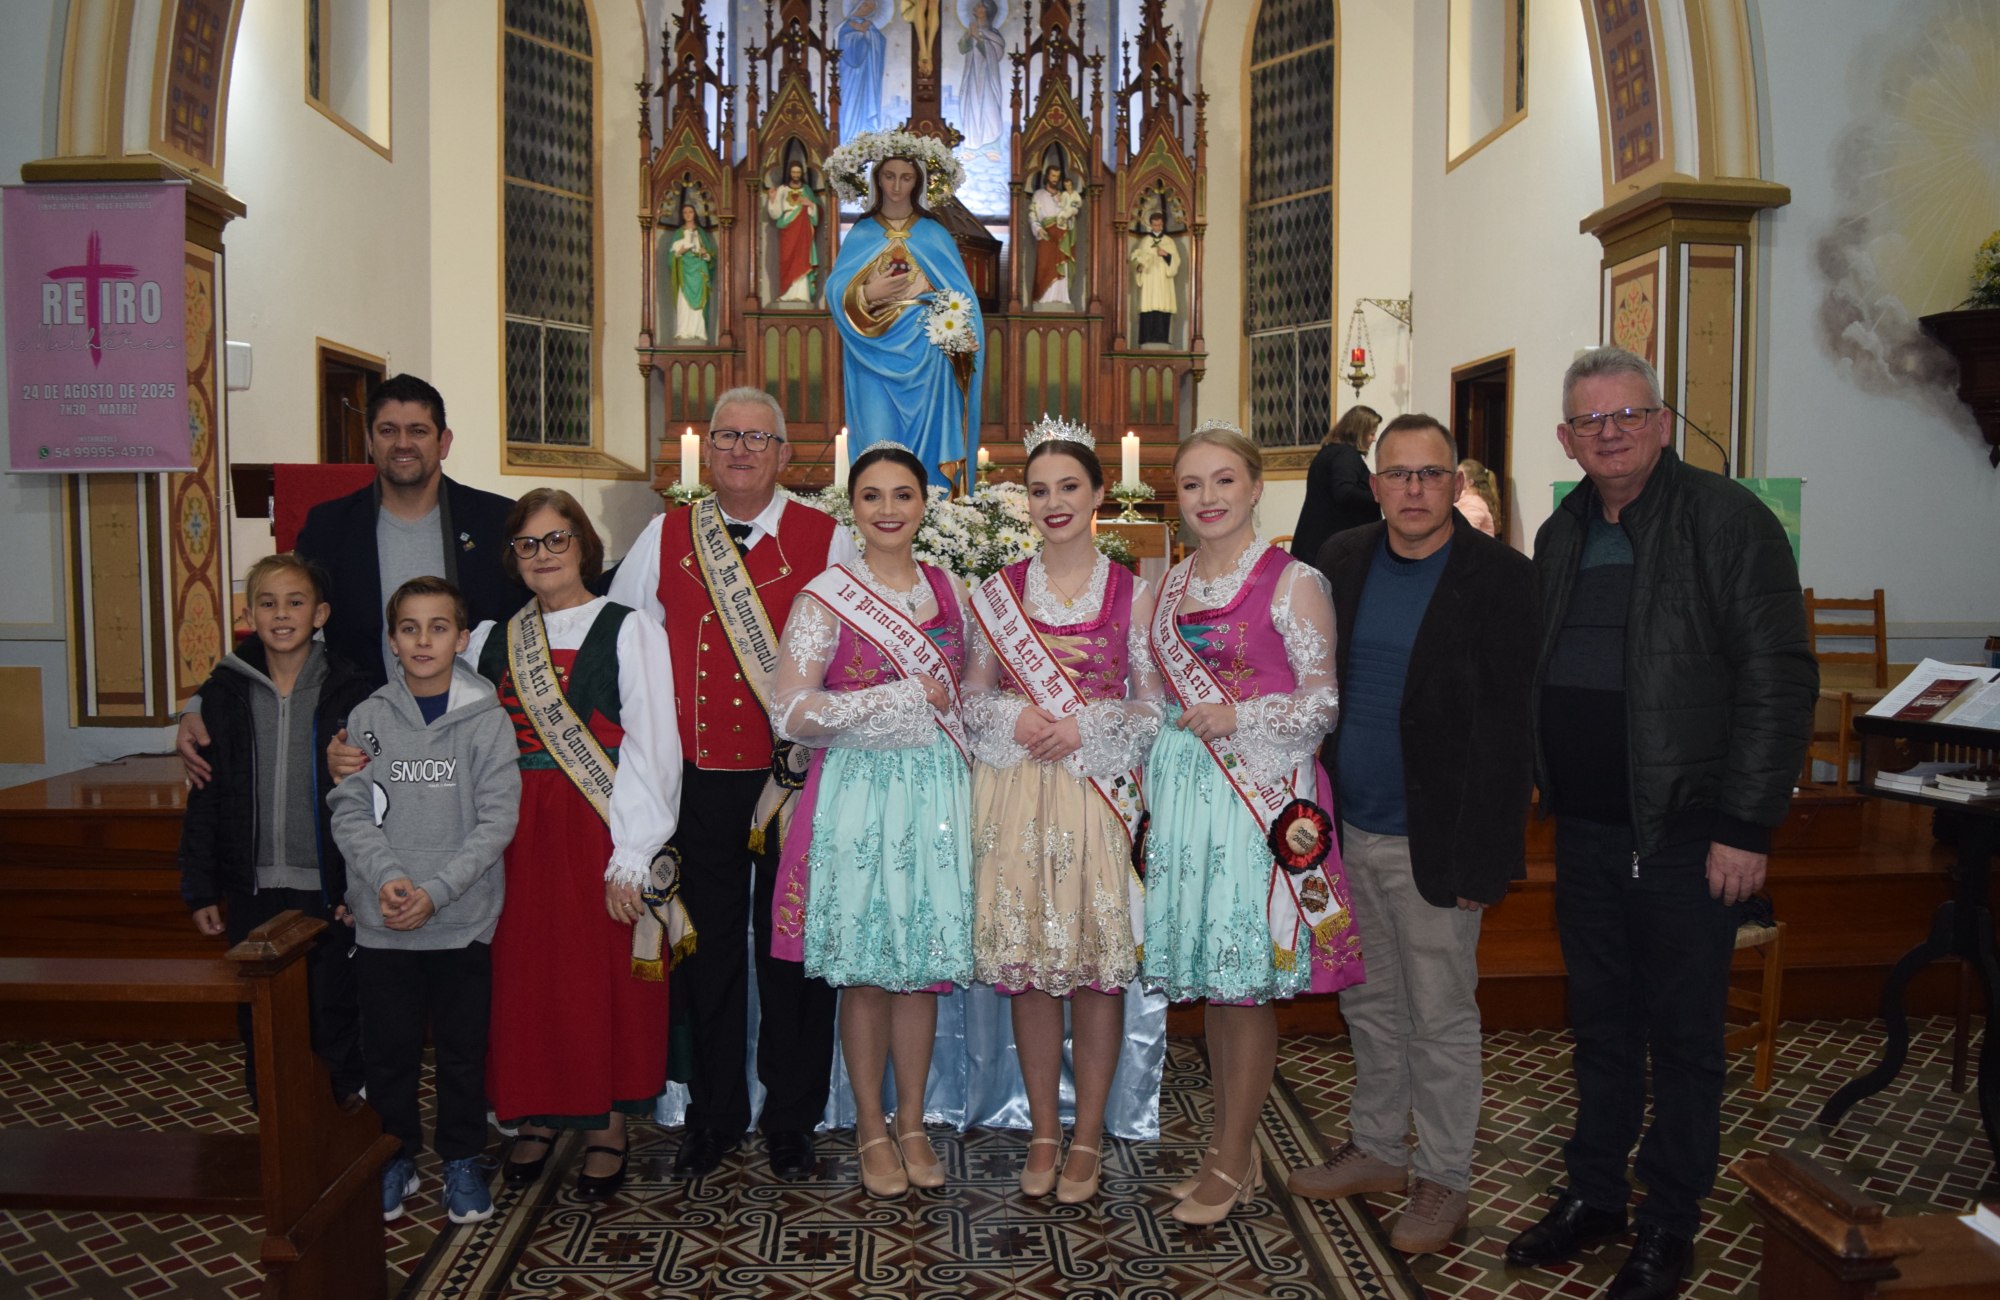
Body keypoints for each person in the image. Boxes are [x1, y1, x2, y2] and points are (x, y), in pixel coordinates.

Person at [1503, 347, 1815, 1300]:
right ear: (1566, 440)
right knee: (1600, 1027)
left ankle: (1670, 1222)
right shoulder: (1560, 532)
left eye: (1628, 414)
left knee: (1682, 1041)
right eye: (1590, 421)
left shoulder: (1728, 520)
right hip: (1590, 830)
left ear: (1663, 422)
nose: (1610, 433)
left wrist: (1746, 825)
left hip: (1687, 835)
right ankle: (1596, 1194)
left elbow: (1778, 678)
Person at [1287, 415, 1538, 1254]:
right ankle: (1377, 1147)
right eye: (1398, 474)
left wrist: (1485, 858)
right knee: (1368, 1003)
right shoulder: (1343, 559)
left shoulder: (1501, 578)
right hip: (1345, 829)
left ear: (1455, 483)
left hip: (1437, 838)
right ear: (1375, 485)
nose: (1415, 489)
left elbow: (1510, 730)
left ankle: (1444, 1178)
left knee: (1439, 1016)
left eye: (1431, 474)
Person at [608, 387, 859, 1183]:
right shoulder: (663, 534)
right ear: (707, 450)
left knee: (792, 953)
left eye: (758, 438)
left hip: (794, 782)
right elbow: (622, 644)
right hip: (700, 781)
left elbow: (856, 655)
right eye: (727, 437)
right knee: (705, 950)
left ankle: (792, 1118)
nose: (741, 450)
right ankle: (713, 1114)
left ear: (786, 455)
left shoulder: (828, 538)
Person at [1142, 421, 1365, 1225]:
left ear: (1256, 487)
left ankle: (1233, 1160)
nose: (1207, 497)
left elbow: (1321, 703)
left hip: (1259, 804)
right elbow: (1153, 700)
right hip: (1189, 806)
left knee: (1245, 991)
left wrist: (1239, 716)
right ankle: (1222, 1153)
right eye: (1192, 484)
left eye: (1224, 480)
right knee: (1218, 988)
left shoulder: (1293, 581)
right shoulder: (1166, 588)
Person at [961, 417, 1163, 1205]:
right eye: (1039, 490)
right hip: (1018, 792)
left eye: (1069, 487)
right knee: (1034, 972)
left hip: (1096, 794)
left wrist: (1087, 726)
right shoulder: (997, 594)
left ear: (1099, 493)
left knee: (1095, 975)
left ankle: (1088, 1136)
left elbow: (1152, 709)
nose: (1054, 503)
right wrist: (1013, 716)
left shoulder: (1135, 595)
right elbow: (972, 696)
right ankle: (1044, 1129)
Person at [767, 443, 975, 1198]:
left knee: (917, 968)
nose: (888, 510)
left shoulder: (953, 588)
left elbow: (971, 696)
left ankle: (912, 1120)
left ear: (925, 504)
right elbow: (791, 710)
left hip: (936, 794)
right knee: (864, 973)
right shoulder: (825, 597)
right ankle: (868, 1124)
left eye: (903, 495)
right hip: (856, 795)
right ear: (850, 508)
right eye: (872, 496)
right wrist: (899, 697)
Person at [470, 490, 683, 1200]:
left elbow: (653, 746)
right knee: (525, 976)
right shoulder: (489, 639)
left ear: (584, 545)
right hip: (513, 829)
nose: (543, 555)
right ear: (513, 556)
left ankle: (606, 1125)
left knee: (598, 977)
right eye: (527, 544)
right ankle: (535, 1112)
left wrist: (633, 852)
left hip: (598, 825)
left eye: (556, 539)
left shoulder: (629, 629)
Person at [176, 374, 518, 782]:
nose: (403, 443)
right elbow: (287, 621)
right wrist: (200, 701)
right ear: (370, 442)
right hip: (364, 740)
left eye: (418, 431)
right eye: (388, 431)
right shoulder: (330, 527)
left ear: (443, 442)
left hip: (473, 735)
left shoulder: (496, 521)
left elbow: (533, 621)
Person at [328, 576, 520, 1227]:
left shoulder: (487, 721)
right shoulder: (369, 720)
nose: (423, 640)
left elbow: (497, 821)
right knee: (389, 1053)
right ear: (391, 640)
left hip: (461, 921)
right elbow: (351, 811)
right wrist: (386, 879)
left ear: (461, 639)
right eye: (409, 628)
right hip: (384, 921)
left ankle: (462, 1158)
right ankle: (395, 1154)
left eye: (438, 627)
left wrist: (436, 894)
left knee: (463, 1054)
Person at [178, 553, 375, 1106]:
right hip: (253, 886)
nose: (281, 614)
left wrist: (361, 884)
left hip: (327, 886)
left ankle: (342, 1122)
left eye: (295, 602)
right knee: (260, 1014)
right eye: (267, 603)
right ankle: (273, 1126)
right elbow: (205, 795)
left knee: (332, 1008)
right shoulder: (224, 696)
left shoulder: (353, 691)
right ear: (248, 614)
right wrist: (200, 887)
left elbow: (377, 801)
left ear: (321, 614)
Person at [825, 139, 984, 487]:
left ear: (918, 182)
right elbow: (835, 290)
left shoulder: (933, 234)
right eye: (889, 176)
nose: (897, 186)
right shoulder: (862, 233)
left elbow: (961, 297)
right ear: (876, 180)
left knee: (928, 449)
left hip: (927, 357)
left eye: (906, 178)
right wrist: (869, 293)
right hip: (872, 356)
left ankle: (936, 513)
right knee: (878, 443)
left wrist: (963, 333)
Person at [1289, 404, 1383, 563]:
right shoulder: (1345, 455)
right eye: (1371, 433)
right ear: (1359, 432)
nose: (1374, 438)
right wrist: (1379, 495)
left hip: (1316, 543)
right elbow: (1344, 492)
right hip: (1332, 549)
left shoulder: (1329, 452)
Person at [764, 164, 819, 305]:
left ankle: (803, 295)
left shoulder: (806, 190)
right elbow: (776, 214)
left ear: (801, 174)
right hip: (787, 229)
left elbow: (815, 215)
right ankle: (786, 293)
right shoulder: (782, 190)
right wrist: (772, 199)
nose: (796, 175)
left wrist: (810, 205)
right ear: (789, 173)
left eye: (798, 172)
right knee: (786, 260)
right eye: (793, 172)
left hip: (803, 230)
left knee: (802, 260)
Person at [956, 0, 1007, 147]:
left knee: (988, 105)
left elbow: (996, 54)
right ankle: (972, 143)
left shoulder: (994, 33)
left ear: (986, 11)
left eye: (980, 6)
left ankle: (991, 144)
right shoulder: (971, 28)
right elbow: (962, 49)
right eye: (977, 5)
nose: (976, 7)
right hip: (972, 74)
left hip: (987, 75)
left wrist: (978, 37)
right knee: (972, 104)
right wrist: (968, 35)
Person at [1030, 164, 1081, 309]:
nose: (1055, 179)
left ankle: (1061, 298)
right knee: (1044, 265)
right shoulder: (1039, 195)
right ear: (1047, 176)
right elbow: (1033, 214)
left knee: (1063, 264)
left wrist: (1069, 217)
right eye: (1052, 176)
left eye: (1057, 177)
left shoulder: (1064, 196)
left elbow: (1070, 213)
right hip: (1046, 235)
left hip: (1062, 235)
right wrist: (1038, 228)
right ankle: (1043, 299)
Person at [836, 0, 886, 141]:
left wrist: (868, 34)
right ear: (857, 5)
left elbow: (880, 42)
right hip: (849, 74)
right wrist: (859, 34)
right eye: (866, 5)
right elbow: (844, 47)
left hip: (867, 74)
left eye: (871, 8)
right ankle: (846, 140)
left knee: (865, 102)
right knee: (849, 104)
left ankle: (865, 139)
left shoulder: (870, 26)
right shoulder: (845, 26)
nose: (867, 9)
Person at [1129, 208, 1179, 346]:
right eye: (1155, 225)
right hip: (1149, 279)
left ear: (1163, 224)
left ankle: (1162, 340)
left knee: (1162, 307)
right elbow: (1137, 260)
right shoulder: (1145, 241)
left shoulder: (1169, 241)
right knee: (1148, 307)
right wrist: (1139, 267)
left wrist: (1166, 255)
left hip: (1163, 281)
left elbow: (1176, 261)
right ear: (1150, 224)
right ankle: (1146, 339)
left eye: (1160, 225)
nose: (1157, 227)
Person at [670, 203, 717, 339]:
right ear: (682, 215)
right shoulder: (678, 233)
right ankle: (683, 331)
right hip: (685, 271)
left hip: (699, 271)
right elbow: (671, 257)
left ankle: (698, 332)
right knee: (684, 302)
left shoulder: (700, 233)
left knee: (700, 303)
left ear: (695, 214)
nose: (688, 214)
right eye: (685, 212)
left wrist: (705, 253)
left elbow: (711, 256)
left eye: (690, 211)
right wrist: (680, 252)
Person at [1456, 457, 1501, 537]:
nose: (1455, 479)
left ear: (1470, 482)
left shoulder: (1474, 504)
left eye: (1460, 476)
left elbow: (1464, 534)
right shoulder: (1464, 501)